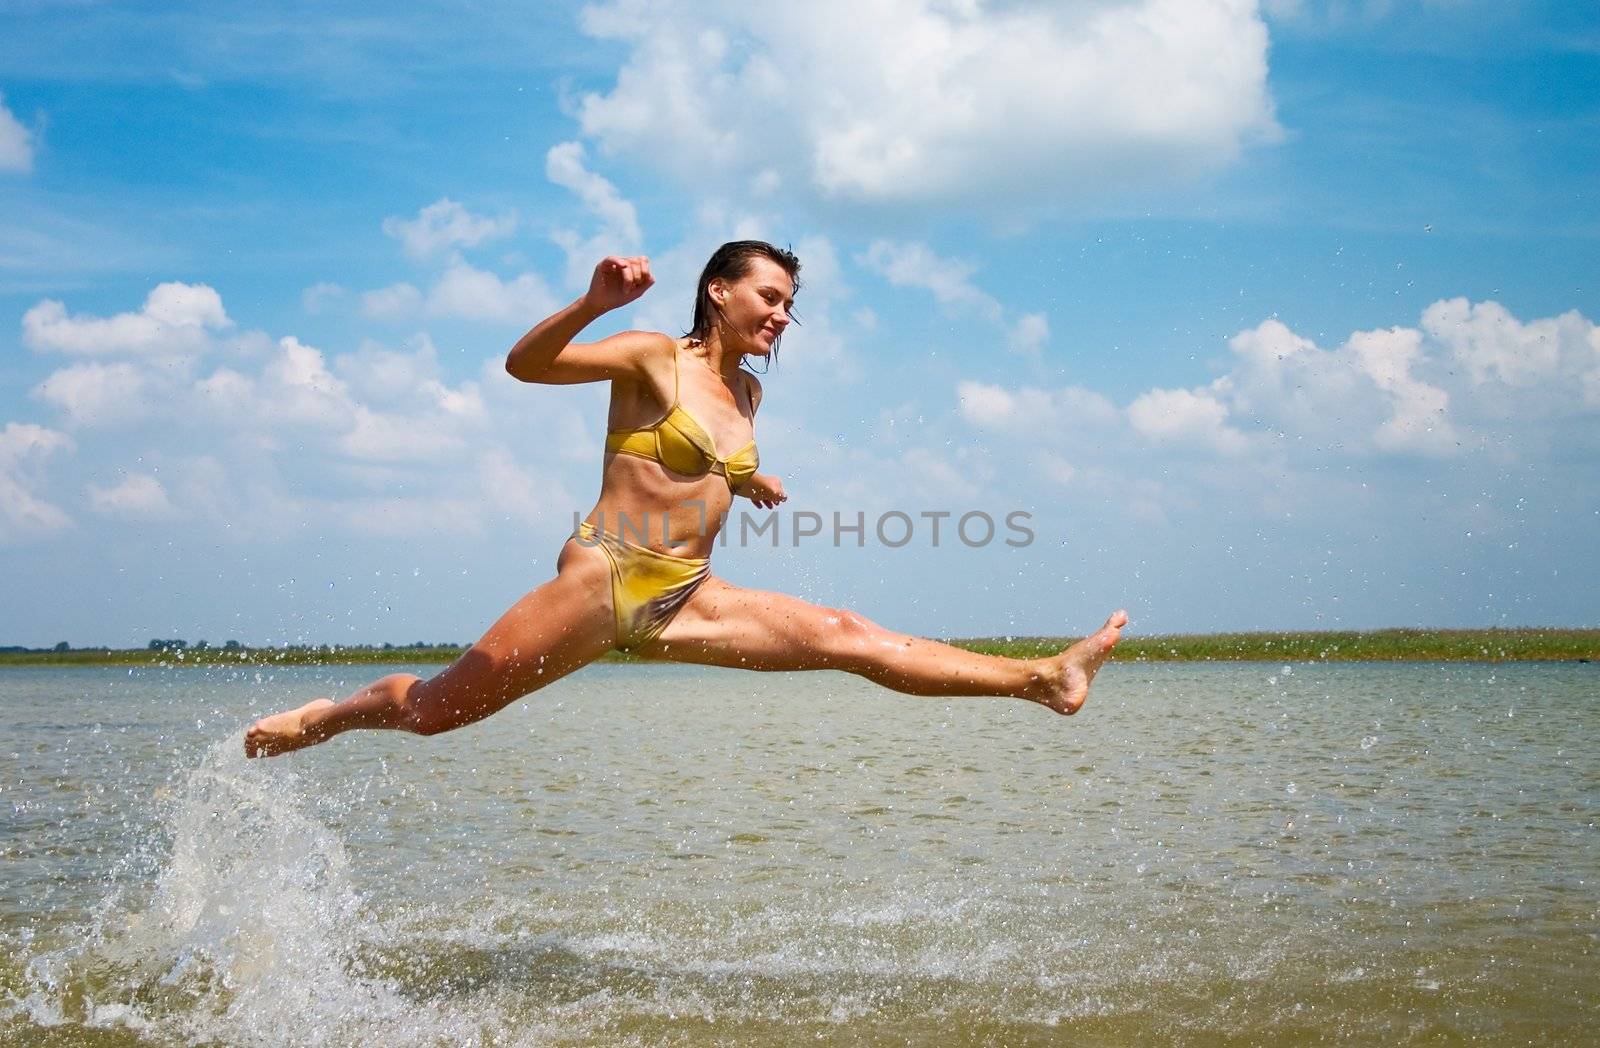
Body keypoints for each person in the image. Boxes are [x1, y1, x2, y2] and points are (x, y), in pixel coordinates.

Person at [245, 241, 1127, 757]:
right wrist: (592, 301)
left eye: (789, 305)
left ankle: (1043, 679)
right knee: (432, 714)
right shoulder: (648, 356)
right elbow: (526, 366)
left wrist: (750, 479)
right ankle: (332, 716)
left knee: (849, 635)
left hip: (685, 596)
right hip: (602, 580)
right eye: (769, 297)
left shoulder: (747, 395)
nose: (782, 315)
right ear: (719, 290)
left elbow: (701, 465)